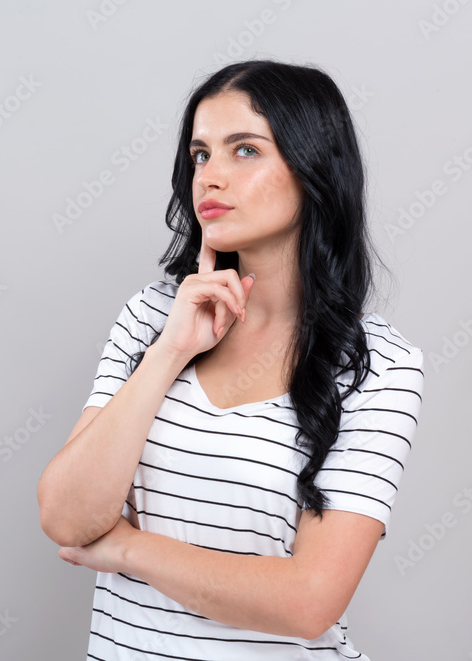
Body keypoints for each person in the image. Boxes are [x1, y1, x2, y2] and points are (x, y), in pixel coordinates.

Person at [36, 58, 425, 660]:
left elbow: (309, 602)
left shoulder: (380, 366)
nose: (210, 178)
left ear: (314, 168)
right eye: (200, 155)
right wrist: (171, 351)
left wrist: (127, 550)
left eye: (245, 150)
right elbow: (66, 518)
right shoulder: (150, 320)